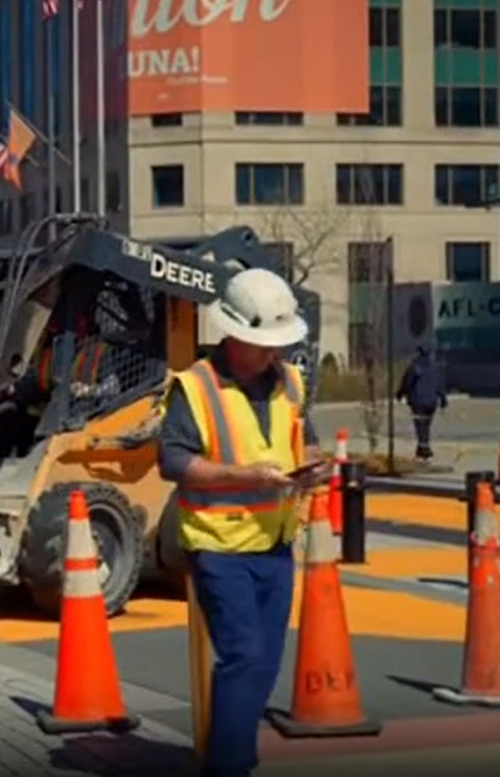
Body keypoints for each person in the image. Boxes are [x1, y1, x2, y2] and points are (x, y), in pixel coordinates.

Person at [157, 268, 329, 777]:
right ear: (233, 335)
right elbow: (173, 460)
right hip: (219, 543)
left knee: (265, 662)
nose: (273, 353)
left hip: (276, 541)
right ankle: (228, 766)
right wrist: (244, 475)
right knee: (245, 656)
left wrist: (312, 465)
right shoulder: (195, 387)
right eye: (264, 345)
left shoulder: (291, 381)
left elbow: (304, 439)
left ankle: (234, 755)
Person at [396, 347, 447, 462]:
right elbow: (440, 385)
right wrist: (443, 400)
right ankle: (422, 449)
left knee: (420, 425)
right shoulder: (435, 367)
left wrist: (400, 394)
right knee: (426, 425)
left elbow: (407, 382)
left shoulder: (415, 367)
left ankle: (424, 450)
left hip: (418, 400)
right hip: (432, 401)